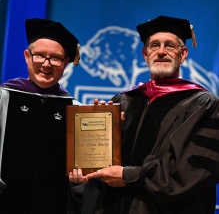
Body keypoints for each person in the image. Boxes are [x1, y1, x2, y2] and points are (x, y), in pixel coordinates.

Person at [69, 15, 219, 214]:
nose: (162, 52)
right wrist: (97, 147)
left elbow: (188, 173)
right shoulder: (123, 101)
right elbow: (100, 167)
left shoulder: (203, 105)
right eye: (154, 45)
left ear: (183, 54)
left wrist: (127, 176)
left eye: (170, 46)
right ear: (145, 54)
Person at [0, 18, 83, 213]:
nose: (46, 64)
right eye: (39, 56)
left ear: (66, 63)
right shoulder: (4, 97)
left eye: (55, 58)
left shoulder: (74, 108)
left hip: (56, 205)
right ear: (27, 56)